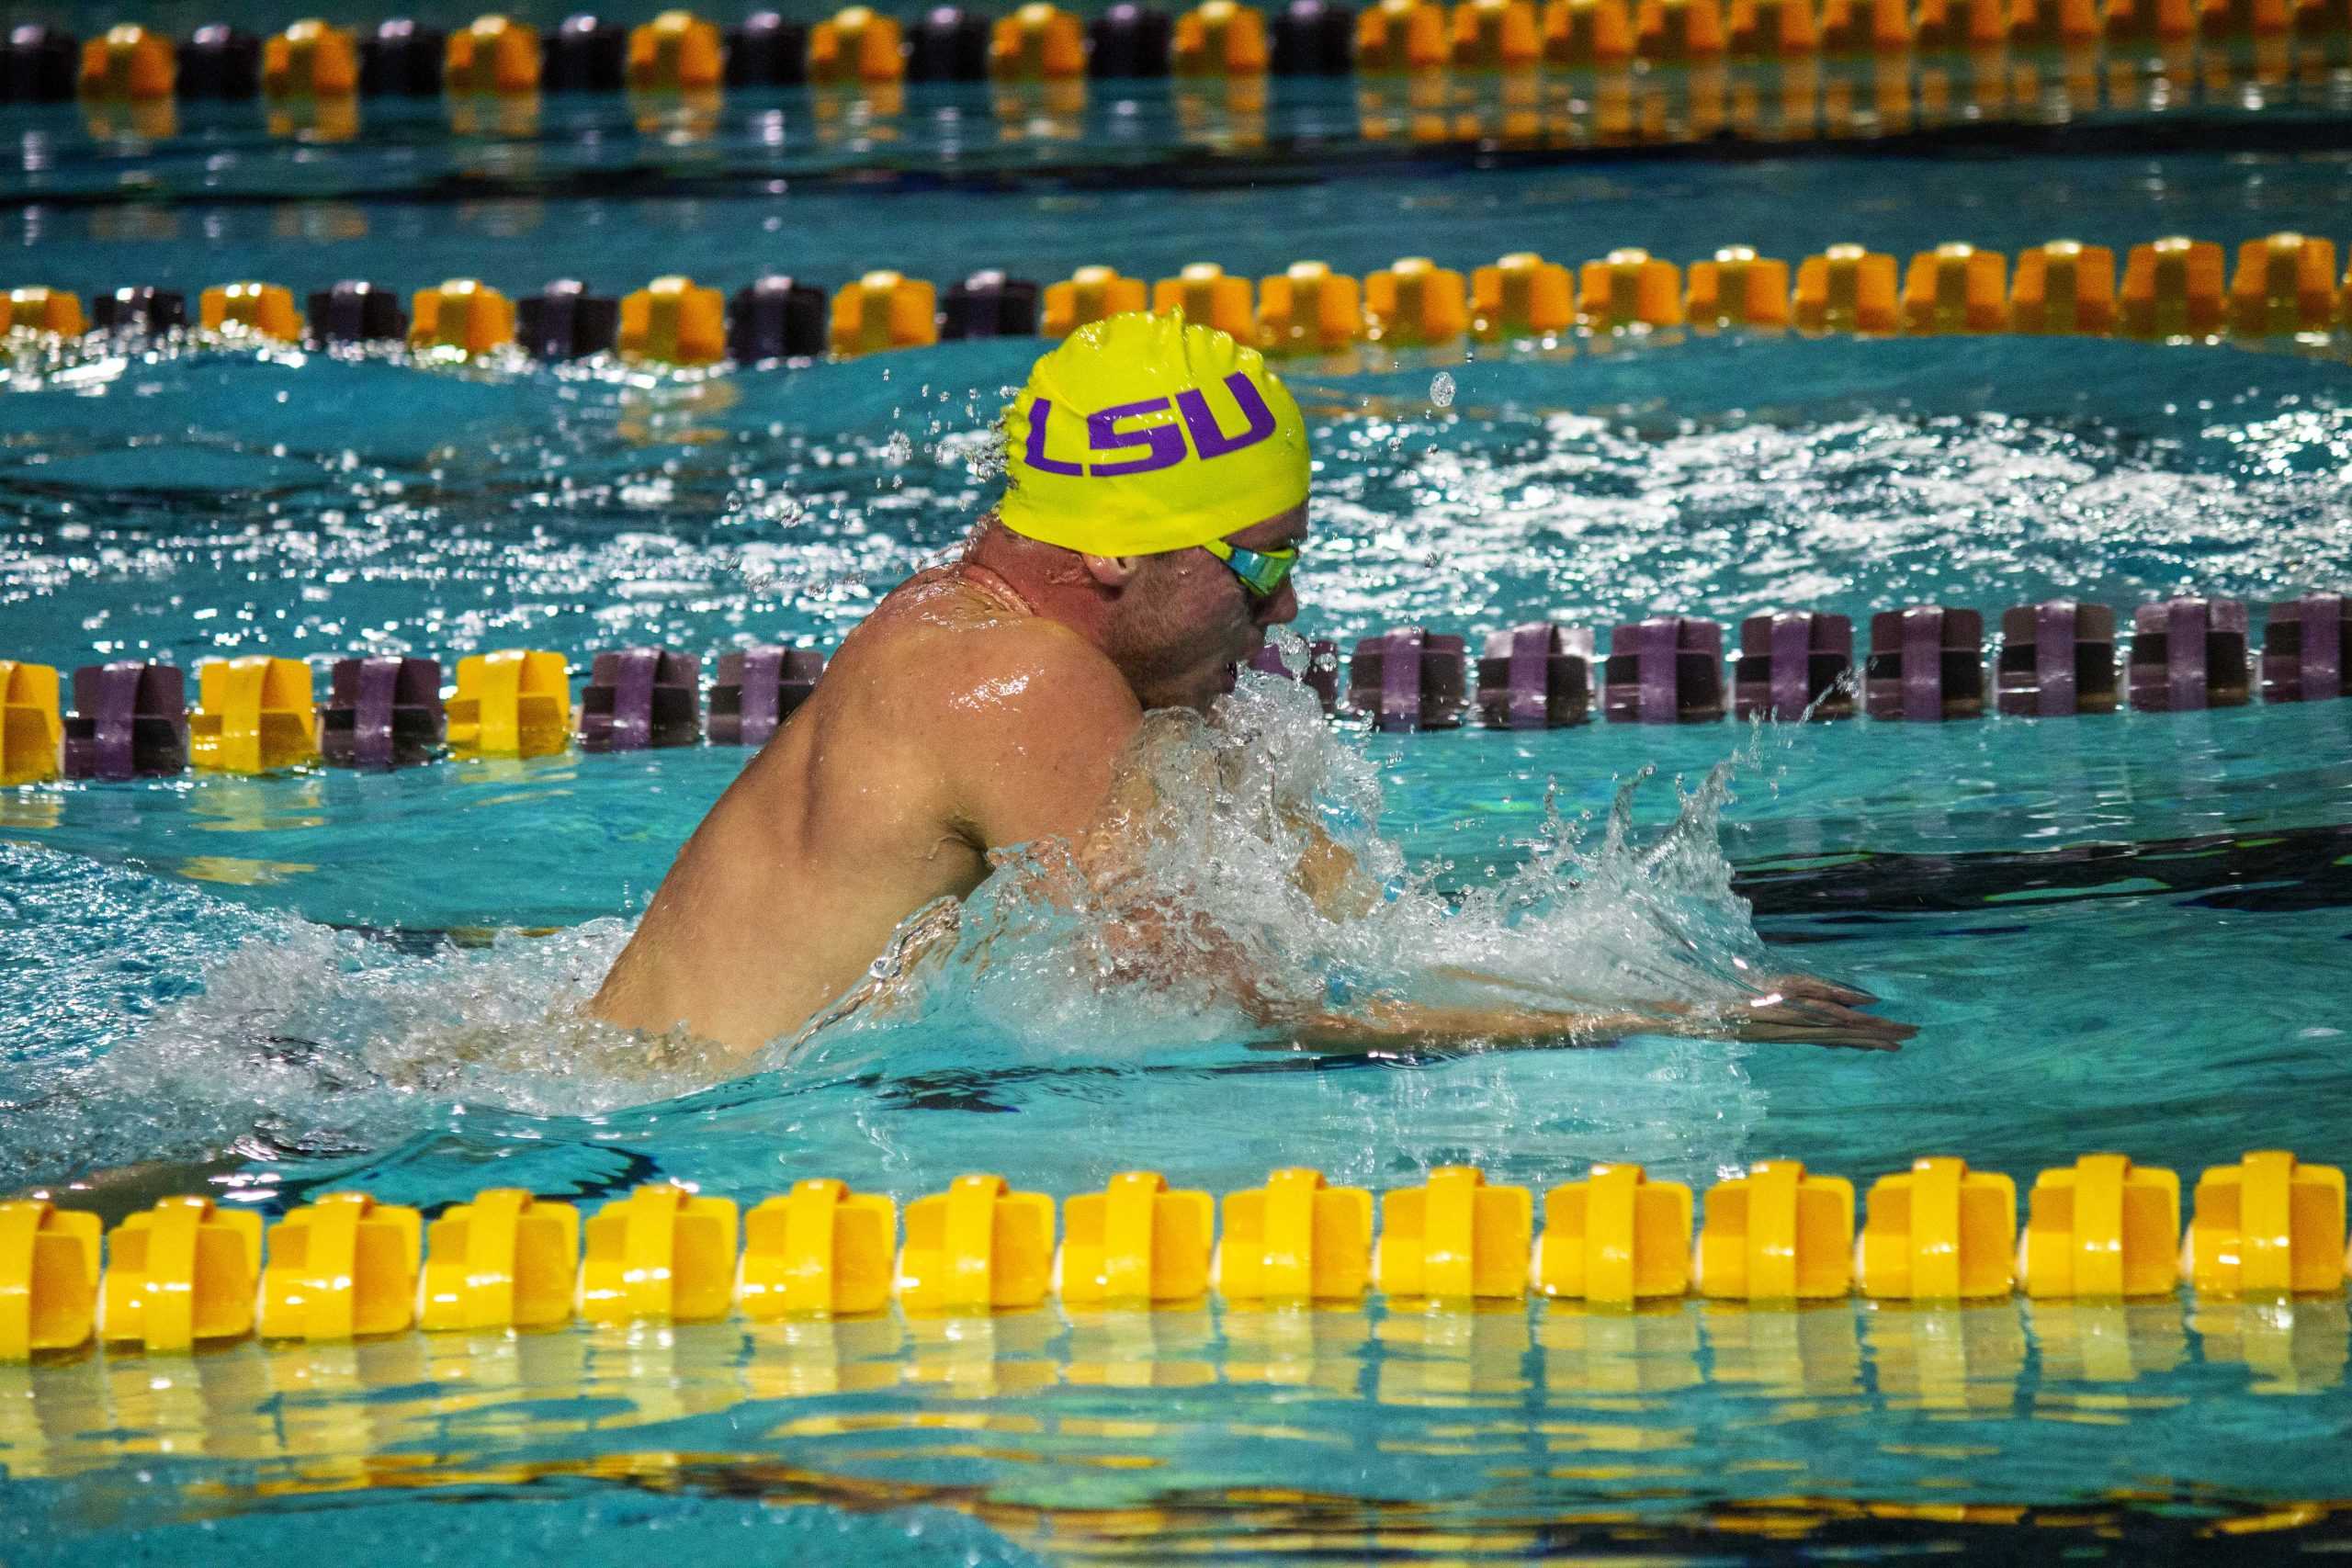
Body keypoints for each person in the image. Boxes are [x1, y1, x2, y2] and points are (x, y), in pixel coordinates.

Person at [590, 311, 1910, 1058]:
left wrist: (1564, 962)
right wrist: (1657, 1026)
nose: (1284, 605)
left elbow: (1337, 925)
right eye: (1256, 558)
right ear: (1112, 548)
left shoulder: (997, 635)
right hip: (649, 1142)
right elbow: (1230, 1013)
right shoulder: (1019, 684)